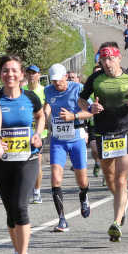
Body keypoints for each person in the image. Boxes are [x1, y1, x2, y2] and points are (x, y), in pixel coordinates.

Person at [0, 55, 44, 254]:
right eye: (5, 71)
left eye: (14, 70)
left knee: (20, 206)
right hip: (3, 163)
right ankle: (18, 252)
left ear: (22, 74)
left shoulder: (30, 98)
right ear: (0, 74)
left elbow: (41, 116)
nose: (10, 75)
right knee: (10, 214)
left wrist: (38, 135)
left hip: (27, 159)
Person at [78, 42, 128, 241]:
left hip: (125, 130)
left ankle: (116, 222)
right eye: (103, 59)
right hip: (103, 132)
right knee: (110, 177)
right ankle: (123, 202)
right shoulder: (96, 79)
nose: (107, 63)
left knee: (122, 179)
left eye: (110, 58)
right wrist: (90, 108)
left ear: (119, 58)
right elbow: (82, 99)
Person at [43, 64, 91, 233]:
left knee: (82, 180)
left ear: (65, 76)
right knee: (55, 178)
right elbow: (47, 106)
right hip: (58, 140)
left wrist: (74, 116)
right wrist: (44, 118)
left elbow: (91, 111)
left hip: (76, 138)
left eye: (59, 80)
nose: (57, 84)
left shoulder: (78, 89)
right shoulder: (48, 91)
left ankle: (84, 195)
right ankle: (62, 219)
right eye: (54, 81)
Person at [24, 65, 46, 204]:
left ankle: (37, 191)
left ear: (39, 75)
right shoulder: (21, 90)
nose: (31, 75)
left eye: (34, 73)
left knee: (36, 162)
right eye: (29, 73)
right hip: (22, 132)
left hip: (39, 132)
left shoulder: (44, 91)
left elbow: (46, 111)